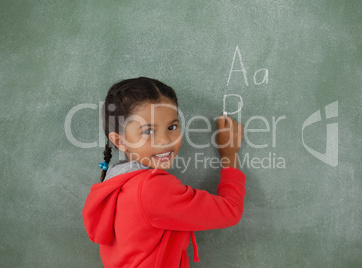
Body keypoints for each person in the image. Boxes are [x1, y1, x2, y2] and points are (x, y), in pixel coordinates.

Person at [82, 77, 246, 268]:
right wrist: (229, 154)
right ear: (119, 141)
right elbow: (230, 211)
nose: (165, 141)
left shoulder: (116, 182)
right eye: (148, 131)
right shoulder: (152, 188)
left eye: (172, 127)